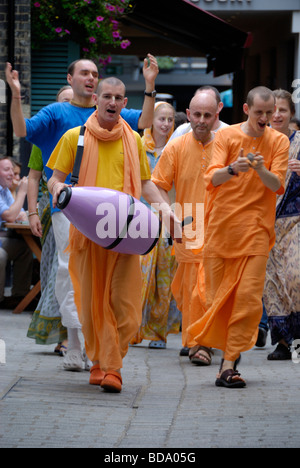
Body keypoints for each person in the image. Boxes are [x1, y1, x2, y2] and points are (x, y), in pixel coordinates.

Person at [5, 54, 159, 372]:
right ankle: (78, 346)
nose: (90, 78)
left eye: (95, 73)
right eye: (84, 73)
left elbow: (144, 124)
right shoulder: (58, 115)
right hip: (70, 208)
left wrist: (149, 85)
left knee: (112, 286)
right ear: (70, 78)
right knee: (70, 272)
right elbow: (22, 131)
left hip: (117, 214)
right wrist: (16, 94)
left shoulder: (119, 122)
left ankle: (98, 349)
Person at [47, 77, 181, 393]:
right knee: (92, 304)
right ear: (96, 99)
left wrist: (166, 211)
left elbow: (146, 184)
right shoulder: (73, 138)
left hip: (126, 236)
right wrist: (59, 190)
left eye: (119, 97)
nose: (113, 102)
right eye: (107, 95)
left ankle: (109, 360)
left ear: (124, 103)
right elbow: (54, 179)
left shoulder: (134, 139)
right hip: (86, 236)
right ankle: (106, 366)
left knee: (127, 308)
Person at [187, 86, 290, 388]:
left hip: (257, 231)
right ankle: (215, 346)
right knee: (219, 299)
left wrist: (260, 169)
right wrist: (233, 168)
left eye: (270, 113)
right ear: (246, 110)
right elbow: (212, 178)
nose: (266, 118)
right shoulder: (227, 137)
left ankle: (228, 365)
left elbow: (278, 185)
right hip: (223, 230)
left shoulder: (279, 141)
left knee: (246, 299)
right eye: (260, 113)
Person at [151, 91, 219, 363]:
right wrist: (169, 216)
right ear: (188, 115)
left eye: (207, 115)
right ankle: (197, 342)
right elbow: (156, 186)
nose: (201, 121)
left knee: (210, 287)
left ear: (217, 115)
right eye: (197, 115)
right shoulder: (176, 147)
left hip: (219, 225)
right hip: (187, 221)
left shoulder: (228, 144)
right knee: (190, 288)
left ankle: (203, 343)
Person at [130, 102, 181, 349]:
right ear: (152, 121)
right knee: (137, 277)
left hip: (168, 218)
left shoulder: (178, 147)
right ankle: (131, 327)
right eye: (161, 119)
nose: (165, 124)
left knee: (164, 277)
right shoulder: (138, 145)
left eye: (170, 120)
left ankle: (158, 332)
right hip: (140, 218)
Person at [26, 86, 73, 352]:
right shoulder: (45, 136)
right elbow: (33, 177)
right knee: (59, 269)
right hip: (52, 208)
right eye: (63, 102)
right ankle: (63, 334)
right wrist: (33, 212)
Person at [263, 89, 300, 360]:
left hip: (295, 220)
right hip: (264, 221)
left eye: (282, 110)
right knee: (272, 283)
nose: (276, 115)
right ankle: (284, 341)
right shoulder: (259, 143)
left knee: (294, 275)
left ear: (291, 114)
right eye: (272, 110)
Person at [0, 156, 33, 309]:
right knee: (0, 255)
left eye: (12, 171)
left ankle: (19, 296)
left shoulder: (5, 191)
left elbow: (19, 214)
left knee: (24, 248)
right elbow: (9, 215)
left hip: (4, 238)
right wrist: (22, 193)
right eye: (7, 170)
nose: (12, 175)